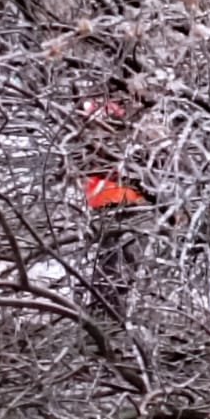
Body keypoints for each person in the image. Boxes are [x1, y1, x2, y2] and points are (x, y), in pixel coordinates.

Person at [80, 99, 149, 318]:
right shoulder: (117, 114)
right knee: (120, 263)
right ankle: (115, 315)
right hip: (119, 200)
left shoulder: (95, 112)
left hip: (106, 200)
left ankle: (106, 312)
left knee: (110, 262)